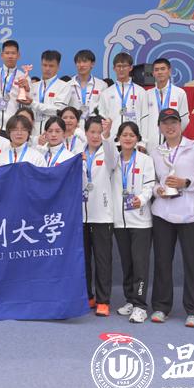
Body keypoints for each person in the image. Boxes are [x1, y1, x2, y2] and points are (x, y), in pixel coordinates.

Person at [149, 108, 194, 327]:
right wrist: (157, 189)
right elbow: (150, 180)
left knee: (193, 263)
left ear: (181, 124)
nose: (170, 127)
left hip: (191, 214)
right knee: (162, 262)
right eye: (165, 123)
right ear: (159, 127)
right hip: (162, 213)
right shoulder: (155, 152)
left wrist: (186, 183)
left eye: (173, 122)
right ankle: (161, 307)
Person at [102, 121, 155, 323]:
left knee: (140, 264)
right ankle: (131, 300)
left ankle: (141, 305)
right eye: (124, 135)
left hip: (140, 221)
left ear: (137, 139)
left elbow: (150, 186)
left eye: (132, 135)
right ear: (118, 138)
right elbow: (108, 151)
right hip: (120, 221)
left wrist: (141, 199)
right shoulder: (114, 160)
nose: (128, 138)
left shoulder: (145, 160)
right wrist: (106, 135)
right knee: (127, 263)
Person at [81, 116, 116, 315]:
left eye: (99, 132)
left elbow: (113, 160)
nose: (95, 136)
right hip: (81, 214)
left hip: (102, 215)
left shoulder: (108, 152)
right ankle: (88, 296)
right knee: (84, 259)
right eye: (92, 132)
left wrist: (107, 136)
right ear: (85, 133)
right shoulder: (78, 152)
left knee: (103, 260)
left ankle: (103, 300)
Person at [17, 50, 71, 137]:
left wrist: (33, 103)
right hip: (32, 135)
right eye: (45, 65)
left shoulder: (64, 86)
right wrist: (26, 92)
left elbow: (58, 110)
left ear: (58, 67)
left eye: (51, 66)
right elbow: (26, 110)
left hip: (52, 135)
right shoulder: (33, 86)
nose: (47, 69)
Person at [99, 52, 148, 143]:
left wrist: (142, 142)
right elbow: (102, 118)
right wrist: (105, 139)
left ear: (131, 68)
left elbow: (145, 119)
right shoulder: (106, 93)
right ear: (114, 68)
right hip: (112, 141)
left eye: (124, 66)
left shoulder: (140, 91)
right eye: (118, 66)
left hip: (134, 141)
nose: (121, 69)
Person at [144, 58, 190, 150]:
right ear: (153, 73)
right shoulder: (147, 94)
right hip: (151, 144)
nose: (160, 72)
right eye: (156, 70)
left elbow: (184, 119)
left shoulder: (179, 93)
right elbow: (143, 121)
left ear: (169, 71)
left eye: (163, 69)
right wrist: (143, 142)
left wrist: (173, 135)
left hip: (172, 143)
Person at [69, 50, 108, 122]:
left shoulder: (102, 85)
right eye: (78, 62)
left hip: (94, 125)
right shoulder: (67, 85)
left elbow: (104, 109)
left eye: (84, 61)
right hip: (73, 125)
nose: (81, 65)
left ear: (92, 64)